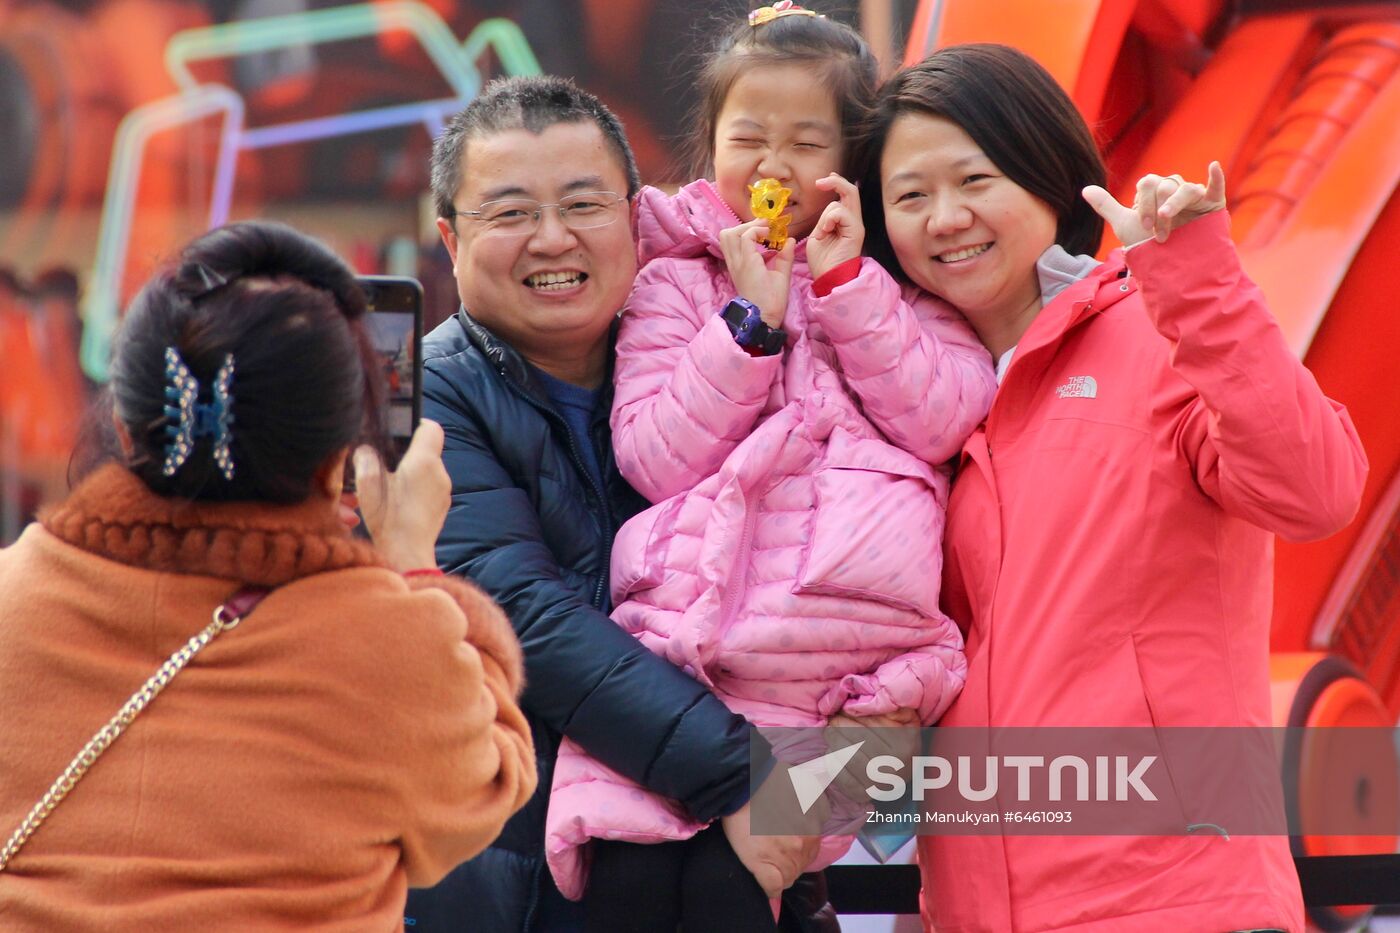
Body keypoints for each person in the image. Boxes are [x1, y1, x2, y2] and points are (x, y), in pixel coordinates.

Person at [858, 44, 1369, 932]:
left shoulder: (1158, 331)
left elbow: (1315, 491)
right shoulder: (906, 404)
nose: (945, 218)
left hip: (1177, 900)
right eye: (910, 197)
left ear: (1048, 179)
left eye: (975, 180)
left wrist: (1201, 281)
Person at [543, 5, 997, 930]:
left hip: (836, 679)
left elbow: (943, 418)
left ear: (855, 158)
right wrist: (748, 323)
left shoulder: (903, 283)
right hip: (685, 650)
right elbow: (655, 454)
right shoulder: (673, 283)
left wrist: (845, 288)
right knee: (630, 886)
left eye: (806, 140)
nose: (773, 164)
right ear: (709, 145)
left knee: (740, 890)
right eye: (747, 136)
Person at [0, 221, 536, 930]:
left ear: (128, 430)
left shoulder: (13, 593)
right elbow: (483, 788)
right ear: (338, 452)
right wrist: (413, 562)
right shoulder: (388, 637)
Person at [410, 74, 834, 932]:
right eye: (511, 213)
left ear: (637, 216)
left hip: (745, 865)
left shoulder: (721, 345)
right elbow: (522, 615)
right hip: (528, 884)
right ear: (451, 238)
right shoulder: (427, 397)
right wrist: (742, 776)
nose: (553, 238)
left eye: (582, 203)